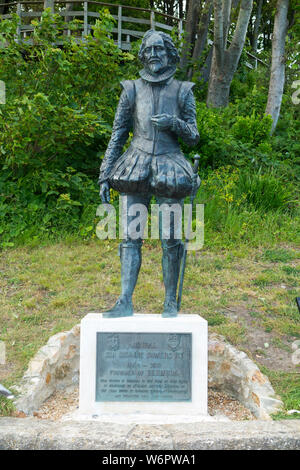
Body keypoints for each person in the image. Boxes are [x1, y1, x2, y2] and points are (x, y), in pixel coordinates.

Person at [99, 29, 200, 318]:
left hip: (170, 165)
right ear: (142, 54)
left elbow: (193, 137)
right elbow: (118, 134)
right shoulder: (130, 89)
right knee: (131, 236)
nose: (154, 55)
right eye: (150, 50)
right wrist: (104, 174)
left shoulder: (182, 91)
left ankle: (170, 302)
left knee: (170, 238)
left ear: (169, 54)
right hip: (135, 164)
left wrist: (174, 124)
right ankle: (124, 301)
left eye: (160, 49)